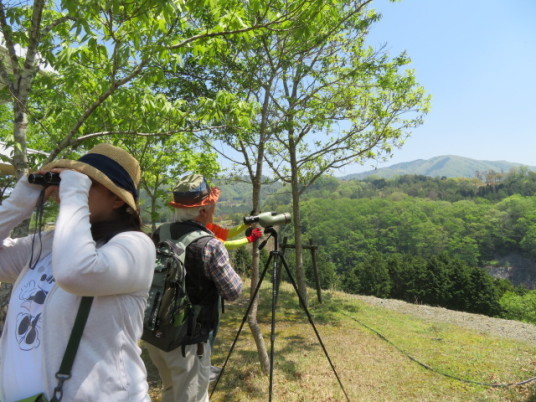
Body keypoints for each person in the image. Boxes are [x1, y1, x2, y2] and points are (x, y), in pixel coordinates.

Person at [0, 143, 156, 401]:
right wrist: (19, 202)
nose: (66, 188)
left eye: (88, 183)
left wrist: (74, 190)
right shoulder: (49, 243)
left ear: (118, 199)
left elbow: (75, 273)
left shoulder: (136, 246)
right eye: (65, 182)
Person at [146, 173, 243, 402]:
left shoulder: (160, 233)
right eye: (212, 204)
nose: (215, 209)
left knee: (170, 390)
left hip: (155, 335)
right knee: (193, 397)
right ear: (203, 210)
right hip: (188, 341)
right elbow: (233, 292)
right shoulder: (209, 245)